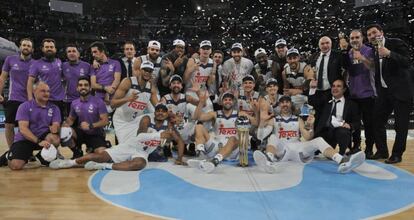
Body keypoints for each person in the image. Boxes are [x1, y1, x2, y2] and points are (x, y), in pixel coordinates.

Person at [50, 103, 186, 171]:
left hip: (142, 152)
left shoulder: (170, 127)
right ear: (155, 112)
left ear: (167, 114)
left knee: (140, 164)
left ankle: (104, 167)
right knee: (101, 155)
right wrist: (158, 135)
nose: (161, 113)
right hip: (131, 145)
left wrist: (179, 158)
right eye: (158, 111)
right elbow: (140, 136)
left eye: (163, 112)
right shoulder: (146, 118)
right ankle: (69, 163)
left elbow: (179, 141)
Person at [253, 95, 365, 174]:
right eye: (282, 102)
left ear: (291, 104)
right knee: (272, 137)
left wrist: (311, 126)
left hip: (298, 149)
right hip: (283, 149)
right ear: (279, 105)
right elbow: (260, 136)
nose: (285, 104)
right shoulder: (274, 119)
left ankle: (342, 161)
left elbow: (307, 137)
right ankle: (269, 160)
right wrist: (263, 121)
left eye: (287, 102)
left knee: (318, 140)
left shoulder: (298, 119)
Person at [366, 24, 413, 163]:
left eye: (374, 32)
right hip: (384, 93)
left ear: (381, 32)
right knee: (377, 121)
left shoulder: (395, 43)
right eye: (369, 35)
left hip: (401, 92)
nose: (372, 36)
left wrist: (389, 54)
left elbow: (407, 62)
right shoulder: (373, 50)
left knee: (401, 125)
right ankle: (382, 151)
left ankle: (397, 154)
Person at [187, 92, 257, 173]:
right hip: (216, 146)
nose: (228, 101)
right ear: (221, 102)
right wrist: (201, 103)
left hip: (232, 149)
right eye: (225, 100)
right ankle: (201, 155)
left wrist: (256, 111)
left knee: (232, 138)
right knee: (199, 127)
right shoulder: (215, 114)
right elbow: (197, 117)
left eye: (230, 100)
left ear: (233, 102)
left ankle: (215, 160)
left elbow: (256, 122)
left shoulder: (240, 113)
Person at [0, 81, 61, 170]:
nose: (46, 93)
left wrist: (56, 128)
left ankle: (42, 157)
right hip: (25, 139)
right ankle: (8, 156)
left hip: (43, 138)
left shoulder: (54, 108)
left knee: (55, 139)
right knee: (16, 166)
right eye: (43, 91)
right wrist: (38, 141)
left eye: (48, 91)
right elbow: (23, 129)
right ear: (34, 91)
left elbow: (56, 125)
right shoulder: (24, 106)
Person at [342, 29, 376, 157]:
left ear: (362, 38)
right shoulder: (349, 53)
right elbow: (347, 71)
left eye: (357, 37)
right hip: (353, 95)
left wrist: (362, 58)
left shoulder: (369, 50)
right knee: (354, 125)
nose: (354, 40)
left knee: (369, 124)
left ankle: (369, 149)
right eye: (352, 38)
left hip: (368, 94)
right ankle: (356, 147)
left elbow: (373, 67)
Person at [111, 61, 158, 143]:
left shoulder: (151, 88)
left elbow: (158, 106)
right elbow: (113, 103)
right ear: (140, 70)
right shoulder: (128, 82)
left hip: (135, 121)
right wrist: (127, 99)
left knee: (156, 117)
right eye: (145, 70)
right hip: (121, 120)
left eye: (149, 71)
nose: (147, 73)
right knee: (125, 148)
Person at [61, 76, 109, 159]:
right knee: (63, 131)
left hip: (95, 134)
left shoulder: (98, 102)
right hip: (81, 133)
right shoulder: (74, 103)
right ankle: (77, 151)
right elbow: (71, 119)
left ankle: (100, 146)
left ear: (90, 88)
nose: (83, 87)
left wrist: (90, 126)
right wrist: (62, 126)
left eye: (86, 85)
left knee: (101, 154)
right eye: (80, 85)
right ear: (77, 88)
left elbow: (105, 121)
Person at [0, 38, 34, 148]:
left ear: (32, 49)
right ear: (20, 47)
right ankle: (12, 150)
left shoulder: (35, 63)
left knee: (26, 127)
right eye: (24, 45)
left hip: (29, 100)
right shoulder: (10, 59)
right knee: (9, 125)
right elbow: (3, 77)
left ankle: (26, 151)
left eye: (28, 46)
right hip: (13, 98)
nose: (26, 47)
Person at [314, 79, 360, 155]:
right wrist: (312, 89)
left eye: (338, 86)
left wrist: (350, 125)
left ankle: (344, 153)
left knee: (343, 132)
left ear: (344, 89)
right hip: (324, 132)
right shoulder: (325, 101)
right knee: (316, 153)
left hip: (340, 131)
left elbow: (357, 122)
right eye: (333, 86)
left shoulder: (351, 104)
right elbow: (312, 102)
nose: (335, 88)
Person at [308, 36, 345, 128]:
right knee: (317, 117)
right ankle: (318, 138)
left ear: (331, 44)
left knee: (330, 119)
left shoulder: (338, 55)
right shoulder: (314, 57)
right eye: (322, 43)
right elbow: (310, 72)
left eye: (327, 43)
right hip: (317, 92)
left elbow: (346, 68)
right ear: (319, 45)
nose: (325, 45)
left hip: (331, 92)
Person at [27, 38, 65, 119]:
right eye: (47, 47)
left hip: (59, 101)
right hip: (44, 100)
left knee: (58, 126)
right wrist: (30, 99)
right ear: (43, 49)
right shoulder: (36, 64)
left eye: (51, 47)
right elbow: (30, 82)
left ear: (55, 49)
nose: (49, 49)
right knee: (44, 126)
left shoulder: (59, 62)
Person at [62, 44, 91, 118]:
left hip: (84, 100)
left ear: (78, 54)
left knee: (85, 125)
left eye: (74, 51)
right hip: (69, 101)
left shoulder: (87, 66)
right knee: (71, 126)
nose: (71, 53)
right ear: (66, 54)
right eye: (69, 51)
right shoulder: (63, 66)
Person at [89, 41, 121, 108]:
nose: (93, 55)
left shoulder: (115, 63)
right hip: (98, 99)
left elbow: (117, 80)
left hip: (113, 97)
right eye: (92, 52)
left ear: (102, 51)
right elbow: (93, 85)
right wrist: (106, 88)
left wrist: (109, 91)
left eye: (95, 52)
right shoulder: (93, 67)